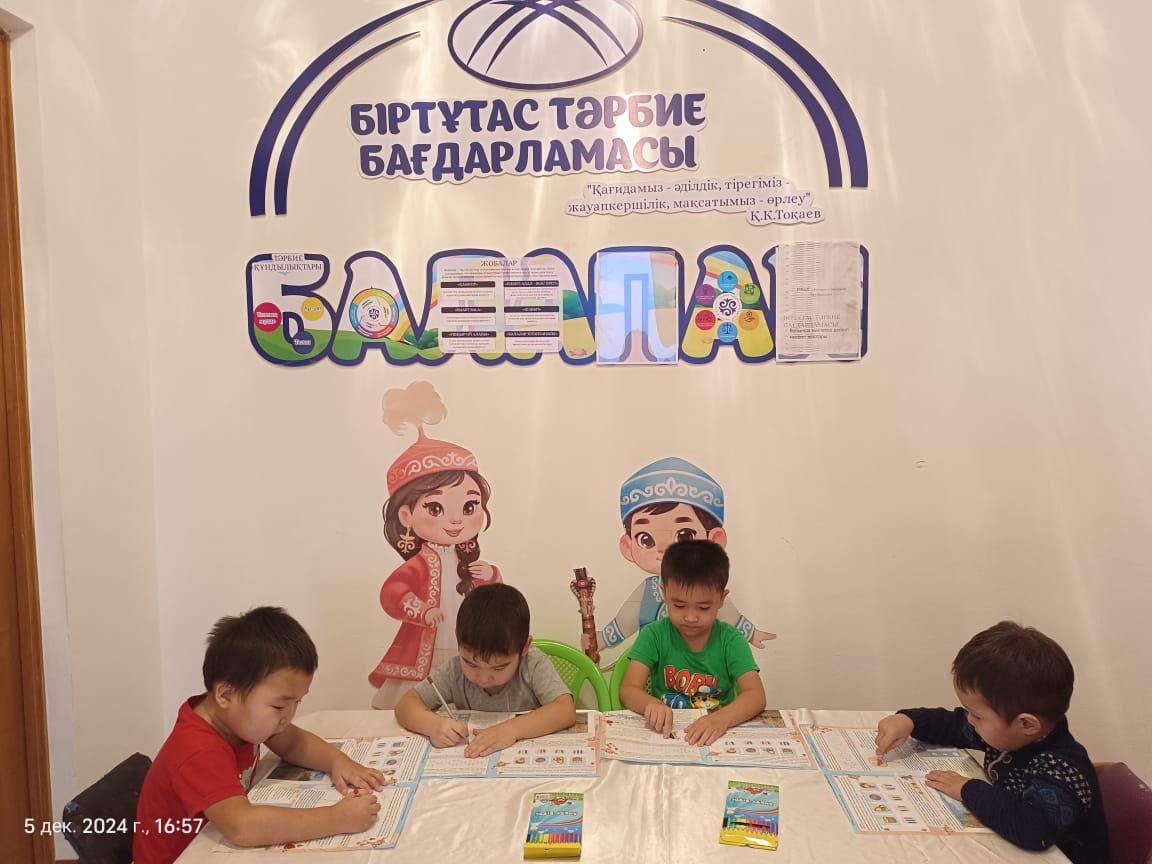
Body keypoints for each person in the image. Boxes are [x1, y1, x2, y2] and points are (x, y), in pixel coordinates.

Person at [135, 607, 386, 864]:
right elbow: (242, 826)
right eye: (279, 706)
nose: (288, 716)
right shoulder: (198, 748)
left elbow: (293, 743)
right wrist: (335, 819)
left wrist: (337, 761)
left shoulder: (237, 718)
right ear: (225, 695)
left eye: (297, 702)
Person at [874, 621, 1110, 864]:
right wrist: (909, 720)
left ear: (1026, 724)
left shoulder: (1062, 767)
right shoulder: (1010, 734)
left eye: (976, 715)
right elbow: (954, 725)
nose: (969, 720)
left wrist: (967, 789)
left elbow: (1033, 830)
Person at [369, 381, 500, 709]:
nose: (455, 520)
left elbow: (492, 602)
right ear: (406, 515)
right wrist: (422, 609)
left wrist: (490, 576)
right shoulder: (420, 564)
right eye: (436, 508)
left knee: (464, 704)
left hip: (466, 645)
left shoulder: (466, 560)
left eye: (469, 506)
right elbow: (392, 592)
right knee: (416, 707)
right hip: (426, 649)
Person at [587, 457, 774, 661]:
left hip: (699, 670)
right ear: (628, 545)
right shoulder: (649, 593)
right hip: (653, 667)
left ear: (715, 540)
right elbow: (627, 619)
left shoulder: (709, 589)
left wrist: (751, 633)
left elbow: (729, 615)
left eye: (685, 536)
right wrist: (603, 639)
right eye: (646, 539)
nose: (665, 549)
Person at [395, 583, 576, 757]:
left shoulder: (532, 664)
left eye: (499, 667)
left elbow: (565, 710)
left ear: (524, 648)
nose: (483, 678)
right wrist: (432, 725)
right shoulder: (454, 670)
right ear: (458, 639)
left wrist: (511, 730)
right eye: (471, 664)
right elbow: (406, 704)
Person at [618, 539, 766, 745]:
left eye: (703, 608)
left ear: (721, 599)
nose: (690, 617)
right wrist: (650, 704)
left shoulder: (731, 640)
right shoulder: (654, 635)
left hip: (716, 736)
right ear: (664, 593)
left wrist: (720, 719)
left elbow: (756, 696)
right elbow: (628, 689)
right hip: (668, 734)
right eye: (679, 605)